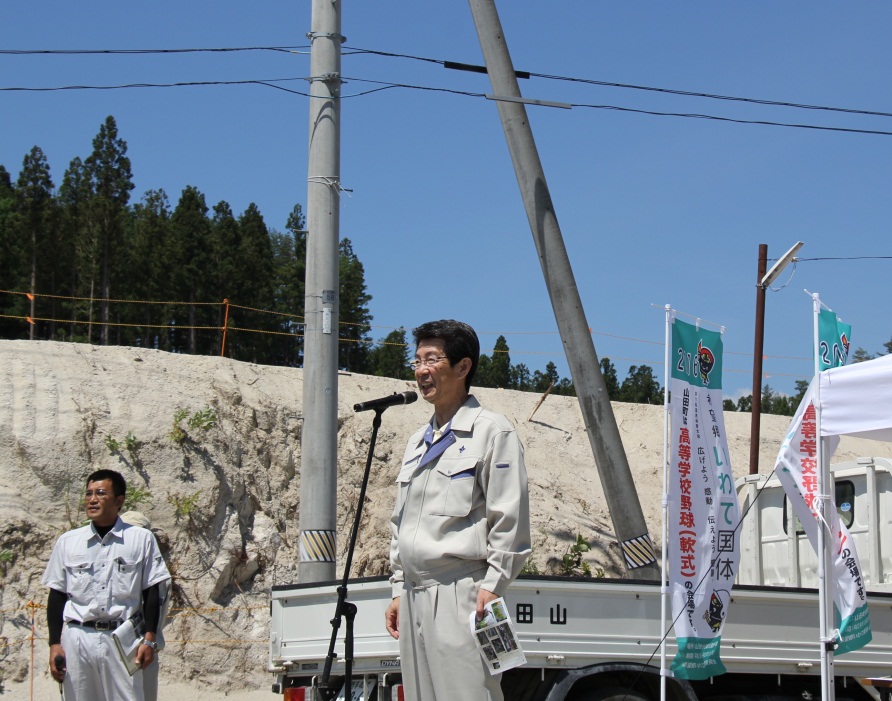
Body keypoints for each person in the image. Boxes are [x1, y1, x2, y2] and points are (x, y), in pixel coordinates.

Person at [384, 320, 531, 701]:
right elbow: (401, 522)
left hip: (461, 593)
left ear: (463, 367)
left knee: (467, 695)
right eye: (416, 361)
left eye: (432, 360)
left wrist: (493, 585)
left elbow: (509, 515)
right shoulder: (418, 440)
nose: (421, 371)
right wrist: (399, 588)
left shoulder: (493, 432)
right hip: (416, 593)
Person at [43, 470, 171, 701]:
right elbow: (57, 595)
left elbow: (151, 592)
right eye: (89, 493)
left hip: (122, 638)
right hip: (78, 637)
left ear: (119, 500)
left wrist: (150, 639)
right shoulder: (68, 542)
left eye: (100, 493)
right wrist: (54, 644)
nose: (92, 499)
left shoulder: (140, 539)